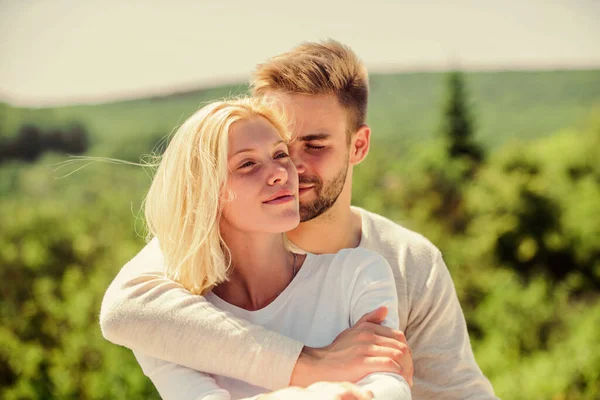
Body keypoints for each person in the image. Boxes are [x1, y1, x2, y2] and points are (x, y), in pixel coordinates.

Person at [100, 40, 497, 399]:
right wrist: (309, 367)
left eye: (315, 145)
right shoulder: (208, 248)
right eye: (279, 146)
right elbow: (124, 310)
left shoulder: (406, 262)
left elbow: (457, 393)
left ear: (358, 145)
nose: (290, 167)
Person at [128, 96, 411, 399]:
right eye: (248, 164)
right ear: (204, 191)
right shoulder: (171, 323)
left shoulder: (358, 274)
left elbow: (390, 384)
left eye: (280, 154)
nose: (281, 172)